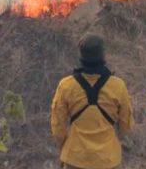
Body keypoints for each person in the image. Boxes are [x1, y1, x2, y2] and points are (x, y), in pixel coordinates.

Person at [50, 34, 134, 169]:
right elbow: (125, 125)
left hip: (75, 158)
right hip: (108, 159)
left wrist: (64, 148)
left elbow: (57, 126)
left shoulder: (66, 85)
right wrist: (115, 140)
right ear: (103, 55)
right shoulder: (118, 86)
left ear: (81, 56)